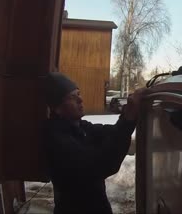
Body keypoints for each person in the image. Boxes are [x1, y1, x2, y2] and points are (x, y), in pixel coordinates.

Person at [43, 72, 145, 214]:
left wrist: (128, 112)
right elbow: (102, 164)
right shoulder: (55, 137)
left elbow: (113, 132)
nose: (80, 100)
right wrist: (128, 119)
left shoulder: (80, 126)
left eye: (78, 94)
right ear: (57, 107)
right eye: (72, 97)